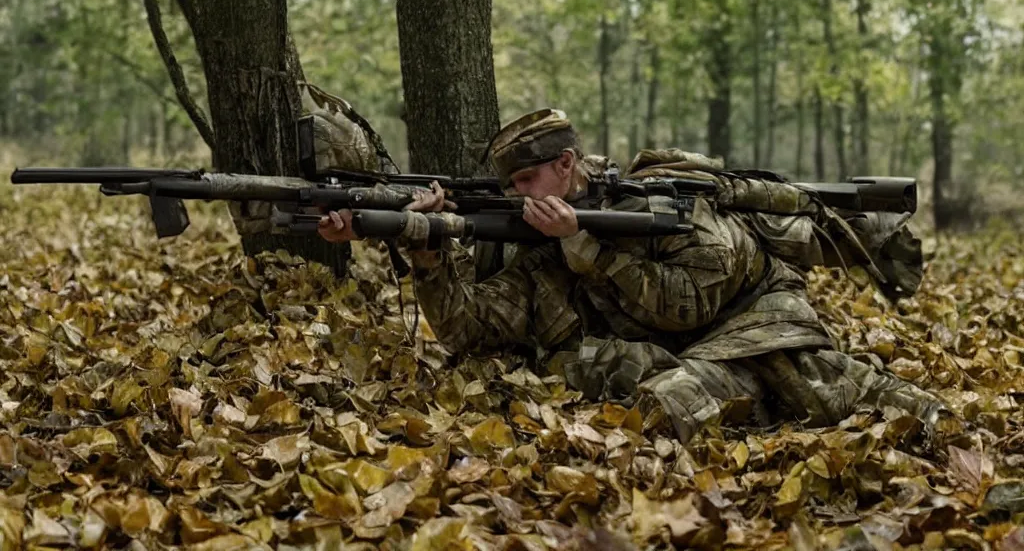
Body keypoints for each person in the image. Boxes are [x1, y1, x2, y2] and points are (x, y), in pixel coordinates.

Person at [317, 109, 954, 445]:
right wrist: (427, 251)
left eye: (526, 180)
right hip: (678, 355)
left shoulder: (670, 207)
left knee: (840, 396)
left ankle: (868, 405)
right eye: (508, 185)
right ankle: (756, 401)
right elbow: (467, 330)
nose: (515, 195)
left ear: (566, 164)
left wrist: (586, 247)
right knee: (660, 400)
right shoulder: (540, 243)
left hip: (752, 325)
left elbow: (686, 308)